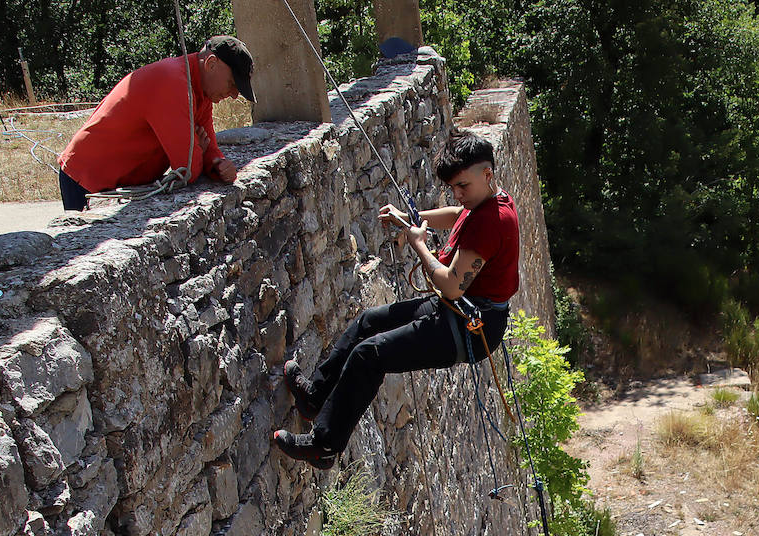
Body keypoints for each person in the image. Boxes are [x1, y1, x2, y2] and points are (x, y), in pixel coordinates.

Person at [273, 129, 521, 469]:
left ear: (487, 173)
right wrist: (413, 220)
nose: (458, 194)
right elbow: (457, 215)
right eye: (453, 187)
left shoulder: (494, 221)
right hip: (460, 312)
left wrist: (418, 242)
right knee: (369, 321)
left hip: (472, 329)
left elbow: (450, 286)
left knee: (369, 356)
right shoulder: (488, 198)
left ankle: (324, 446)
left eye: (462, 186)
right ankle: (315, 396)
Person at [57, 35, 254, 211]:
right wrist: (199, 151)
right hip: (87, 178)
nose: (235, 95)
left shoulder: (200, 91)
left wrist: (218, 164)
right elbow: (187, 168)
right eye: (232, 83)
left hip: (113, 181)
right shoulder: (173, 83)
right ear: (211, 64)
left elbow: (207, 146)